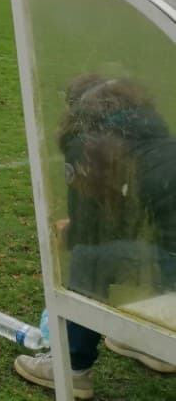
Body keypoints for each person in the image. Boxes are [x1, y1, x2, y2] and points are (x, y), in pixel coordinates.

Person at [14, 75, 176, 399]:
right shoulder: (149, 130)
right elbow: (140, 216)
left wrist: (73, 229)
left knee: (91, 258)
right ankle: (155, 343)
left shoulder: (89, 139)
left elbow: (92, 235)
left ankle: (72, 367)